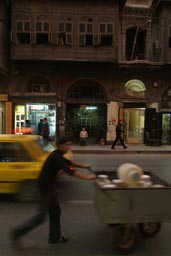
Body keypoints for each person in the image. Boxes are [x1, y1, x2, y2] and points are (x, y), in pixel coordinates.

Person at [10, 135, 96, 245]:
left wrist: (83, 166)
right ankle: (17, 232)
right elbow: (70, 171)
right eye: (67, 145)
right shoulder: (56, 157)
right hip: (46, 188)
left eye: (70, 144)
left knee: (55, 211)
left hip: (49, 187)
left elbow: (69, 163)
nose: (69, 147)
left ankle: (54, 237)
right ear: (60, 146)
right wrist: (87, 178)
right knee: (41, 217)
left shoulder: (58, 155)